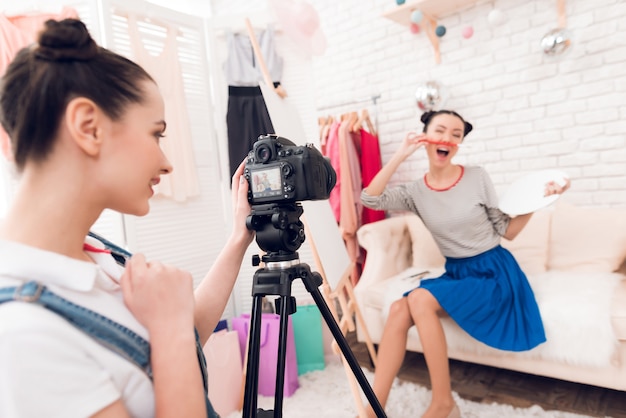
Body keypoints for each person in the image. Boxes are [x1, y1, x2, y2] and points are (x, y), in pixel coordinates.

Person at [0, 18, 254, 418]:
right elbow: (171, 339)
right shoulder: (20, 335)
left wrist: (239, 236)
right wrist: (169, 327)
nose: (168, 163)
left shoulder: (95, 254)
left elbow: (175, 353)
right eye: (157, 134)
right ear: (88, 127)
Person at [360, 109, 570, 418]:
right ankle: (372, 408)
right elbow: (370, 199)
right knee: (398, 308)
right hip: (458, 273)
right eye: (440, 130)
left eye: (456, 135)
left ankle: (444, 403)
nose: (447, 138)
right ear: (425, 137)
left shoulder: (476, 177)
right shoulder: (416, 192)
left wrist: (542, 200)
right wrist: (401, 154)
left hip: (494, 273)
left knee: (418, 298)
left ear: (459, 143)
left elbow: (507, 230)